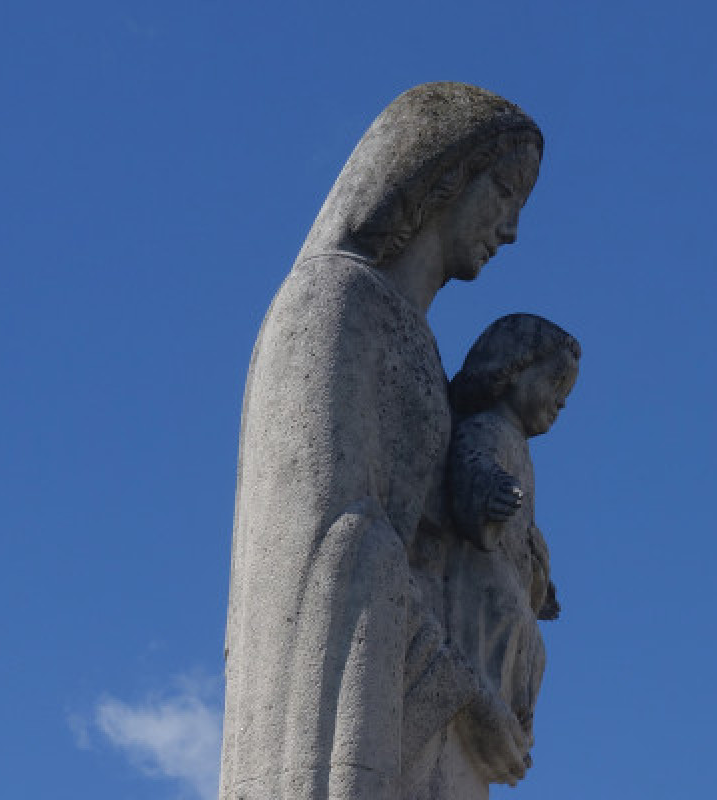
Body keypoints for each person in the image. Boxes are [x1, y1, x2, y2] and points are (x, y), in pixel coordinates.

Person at [218, 84, 542, 800]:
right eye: (505, 189)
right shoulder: (333, 304)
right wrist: (470, 699)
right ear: (444, 174)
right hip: (342, 722)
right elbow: (338, 545)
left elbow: (426, 553)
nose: (512, 228)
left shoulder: (422, 349)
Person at [436, 313, 580, 792]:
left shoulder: (520, 449)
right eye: (556, 381)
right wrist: (488, 495)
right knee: (498, 628)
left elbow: (523, 529)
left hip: (510, 588)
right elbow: (470, 466)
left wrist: (540, 574)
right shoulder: (490, 431)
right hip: (483, 587)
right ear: (513, 368)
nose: (562, 400)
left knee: (520, 638)